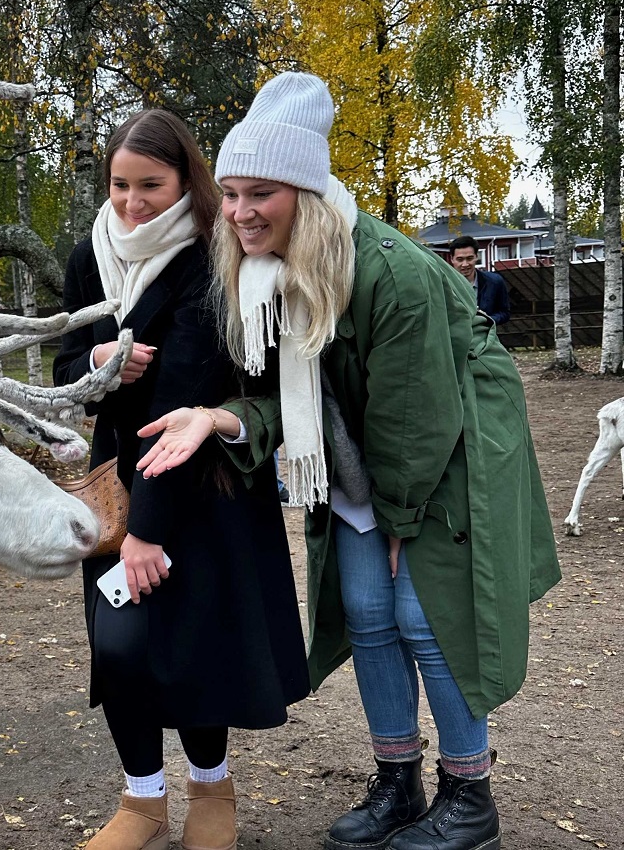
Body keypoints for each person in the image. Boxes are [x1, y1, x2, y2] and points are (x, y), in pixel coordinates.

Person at [135, 74, 560, 850]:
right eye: (229, 193)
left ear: (305, 190)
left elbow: (417, 417)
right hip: (357, 457)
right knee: (365, 612)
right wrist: (214, 415)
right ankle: (398, 782)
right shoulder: (259, 275)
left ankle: (471, 795)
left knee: (423, 615)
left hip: (451, 450)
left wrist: (400, 522)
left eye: (260, 191)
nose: (238, 212)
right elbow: (271, 397)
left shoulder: (389, 271)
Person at [53, 108, 310, 850]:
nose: (132, 202)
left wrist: (147, 532)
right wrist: (98, 365)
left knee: (196, 643)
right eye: (120, 184)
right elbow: (65, 367)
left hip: (202, 488)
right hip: (114, 482)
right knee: (121, 647)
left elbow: (183, 393)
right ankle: (141, 801)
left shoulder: (211, 255)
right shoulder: (87, 257)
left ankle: (211, 787)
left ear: (184, 180)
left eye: (151, 186)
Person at [448, 235, 511, 325]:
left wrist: (488, 320)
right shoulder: (444, 285)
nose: (465, 264)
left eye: (469, 258)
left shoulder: (494, 282)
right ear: (452, 259)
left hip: (485, 336)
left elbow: (505, 313)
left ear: (476, 257)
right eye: (460, 259)